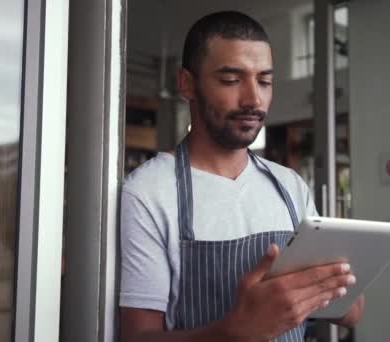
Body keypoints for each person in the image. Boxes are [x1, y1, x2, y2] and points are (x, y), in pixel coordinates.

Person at [120, 11, 364, 342]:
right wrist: (233, 333)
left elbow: (349, 311)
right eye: (231, 80)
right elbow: (137, 337)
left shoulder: (290, 186)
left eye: (264, 81)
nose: (253, 99)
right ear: (187, 84)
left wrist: (341, 292)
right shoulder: (149, 192)